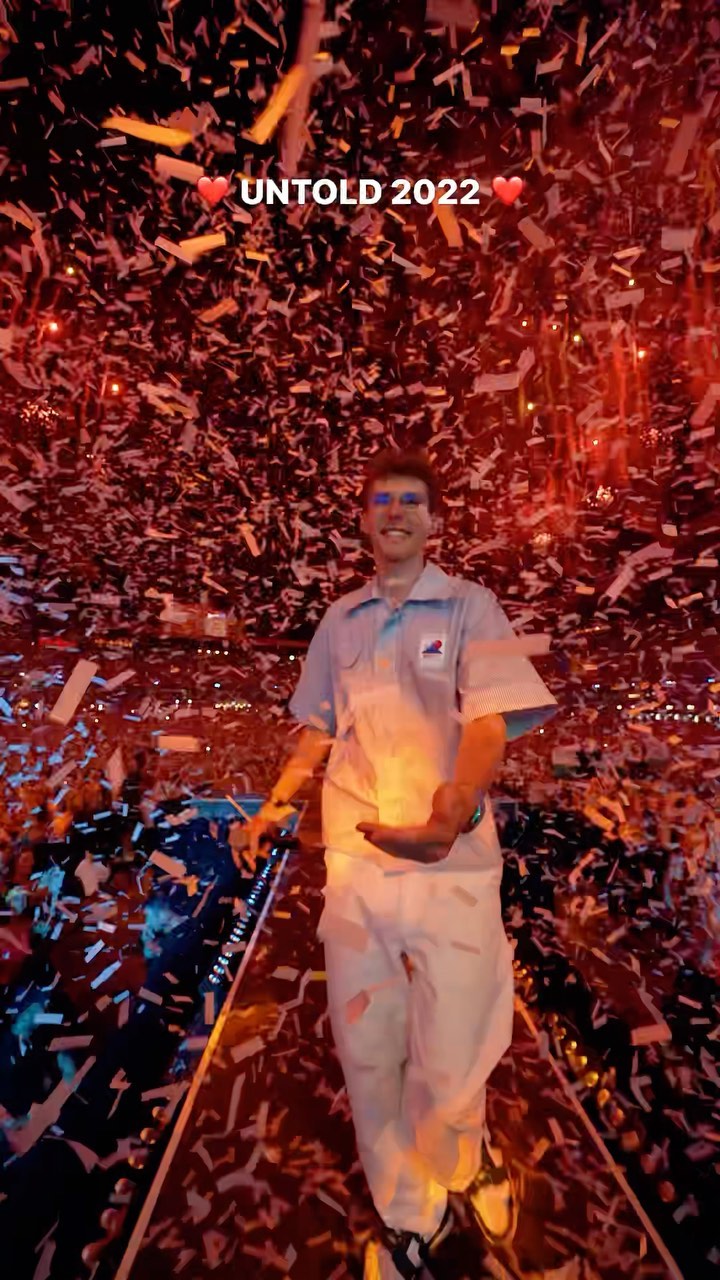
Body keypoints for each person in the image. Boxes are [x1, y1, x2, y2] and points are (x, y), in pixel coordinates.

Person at [248, 449, 558, 1279]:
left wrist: (454, 807)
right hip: (358, 869)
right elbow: (319, 728)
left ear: (433, 521)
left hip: (452, 865)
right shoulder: (337, 620)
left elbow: (488, 720)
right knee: (369, 1054)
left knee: (455, 1055)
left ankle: (465, 1158)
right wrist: (275, 804)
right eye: (382, 501)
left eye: (412, 502)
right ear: (364, 520)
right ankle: (408, 1216)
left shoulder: (471, 606)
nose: (396, 513)